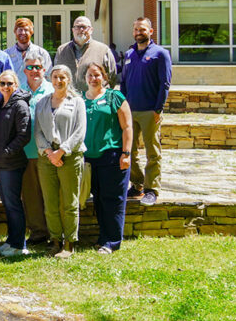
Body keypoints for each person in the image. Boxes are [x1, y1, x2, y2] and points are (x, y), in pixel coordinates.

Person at [33, 64, 87, 259]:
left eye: (62, 77)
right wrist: (49, 151)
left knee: (70, 202)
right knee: (50, 201)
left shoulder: (77, 102)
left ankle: (69, 243)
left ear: (69, 79)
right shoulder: (42, 103)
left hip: (70, 157)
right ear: (50, 78)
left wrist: (62, 151)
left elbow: (80, 131)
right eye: (55, 77)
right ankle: (55, 240)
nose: (58, 81)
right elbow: (38, 131)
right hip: (47, 158)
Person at [121, 17, 172, 207]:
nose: (138, 32)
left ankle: (152, 189)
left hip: (150, 111)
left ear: (151, 31)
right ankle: (138, 184)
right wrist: (123, 106)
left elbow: (164, 83)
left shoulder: (161, 54)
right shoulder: (128, 54)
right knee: (128, 151)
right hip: (130, 112)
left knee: (153, 152)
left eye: (142, 29)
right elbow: (124, 83)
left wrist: (158, 108)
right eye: (135, 29)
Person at [83, 62, 133, 254]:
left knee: (112, 199)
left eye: (97, 75)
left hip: (112, 156)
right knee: (98, 199)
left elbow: (127, 126)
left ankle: (112, 241)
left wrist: (126, 153)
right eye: (90, 75)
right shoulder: (81, 99)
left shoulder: (115, 97)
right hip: (90, 158)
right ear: (85, 78)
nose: (93, 78)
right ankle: (103, 237)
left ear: (104, 77)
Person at [0, 69, 34, 257]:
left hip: (12, 163)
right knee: (7, 203)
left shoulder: (20, 105)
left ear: (16, 85)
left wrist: (7, 152)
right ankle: (12, 240)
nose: (5, 87)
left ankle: (19, 245)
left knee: (13, 203)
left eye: (9, 84)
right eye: (2, 84)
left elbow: (24, 135)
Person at [21, 55, 54, 246]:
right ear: (24, 70)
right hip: (26, 152)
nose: (34, 70)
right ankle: (38, 233)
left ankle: (55, 232)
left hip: (48, 152)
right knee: (31, 195)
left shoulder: (51, 90)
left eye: (38, 67)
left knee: (50, 194)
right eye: (30, 67)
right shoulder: (20, 91)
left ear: (44, 70)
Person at [53, 16, 117, 93]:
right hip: (69, 100)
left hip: (94, 100)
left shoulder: (103, 50)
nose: (81, 30)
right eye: (77, 27)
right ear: (73, 30)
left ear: (91, 30)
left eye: (84, 27)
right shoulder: (62, 50)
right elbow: (56, 74)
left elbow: (112, 77)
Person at [6, 18, 52, 87]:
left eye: (26, 30)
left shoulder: (42, 53)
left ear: (31, 32)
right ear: (15, 32)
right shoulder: (6, 54)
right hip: (13, 95)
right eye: (20, 30)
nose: (23, 33)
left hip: (36, 94)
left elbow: (48, 77)